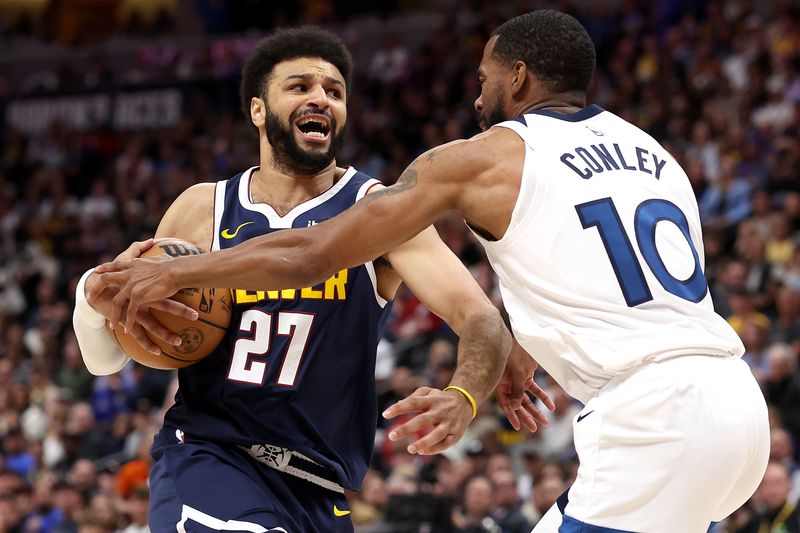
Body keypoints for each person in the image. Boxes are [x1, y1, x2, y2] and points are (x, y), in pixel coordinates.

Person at [92, 10, 770, 532]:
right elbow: (615, 279)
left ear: (519, 78)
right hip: (736, 408)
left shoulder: (484, 157)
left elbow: (310, 251)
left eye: (483, 78)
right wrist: (517, 346)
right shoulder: (653, 154)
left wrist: (182, 275)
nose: (478, 94)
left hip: (655, 417)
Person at [74, 28, 552, 532]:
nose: (321, 98)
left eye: (335, 91)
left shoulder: (381, 211)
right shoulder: (203, 208)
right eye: (300, 86)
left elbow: (482, 320)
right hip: (210, 458)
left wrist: (463, 397)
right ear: (259, 110)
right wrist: (92, 296)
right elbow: (107, 357)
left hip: (320, 492)